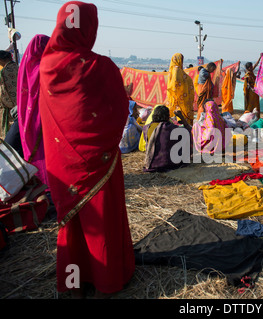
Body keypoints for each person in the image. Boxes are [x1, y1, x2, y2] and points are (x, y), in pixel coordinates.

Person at [39, 1, 135, 298]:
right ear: (88, 28)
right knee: (102, 221)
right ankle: (107, 280)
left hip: (62, 164)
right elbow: (120, 112)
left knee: (74, 223)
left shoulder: (46, 67)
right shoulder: (101, 66)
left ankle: (74, 282)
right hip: (100, 161)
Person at [15, 34, 50, 187]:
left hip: (26, 114)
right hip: (41, 115)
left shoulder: (25, 66)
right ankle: (47, 182)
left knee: (32, 146)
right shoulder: (44, 68)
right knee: (44, 149)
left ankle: (37, 179)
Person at [143, 104, 192, 172]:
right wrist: (181, 117)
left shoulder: (146, 128)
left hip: (152, 163)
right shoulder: (169, 127)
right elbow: (189, 131)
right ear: (167, 117)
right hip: (169, 163)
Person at [167, 52, 195, 125]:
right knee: (182, 118)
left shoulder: (171, 70)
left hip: (174, 98)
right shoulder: (176, 69)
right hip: (180, 98)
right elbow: (176, 83)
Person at [0, 50, 18, 137]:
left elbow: (3, 93)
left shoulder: (3, 72)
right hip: (21, 107)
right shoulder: (18, 67)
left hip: (9, 110)